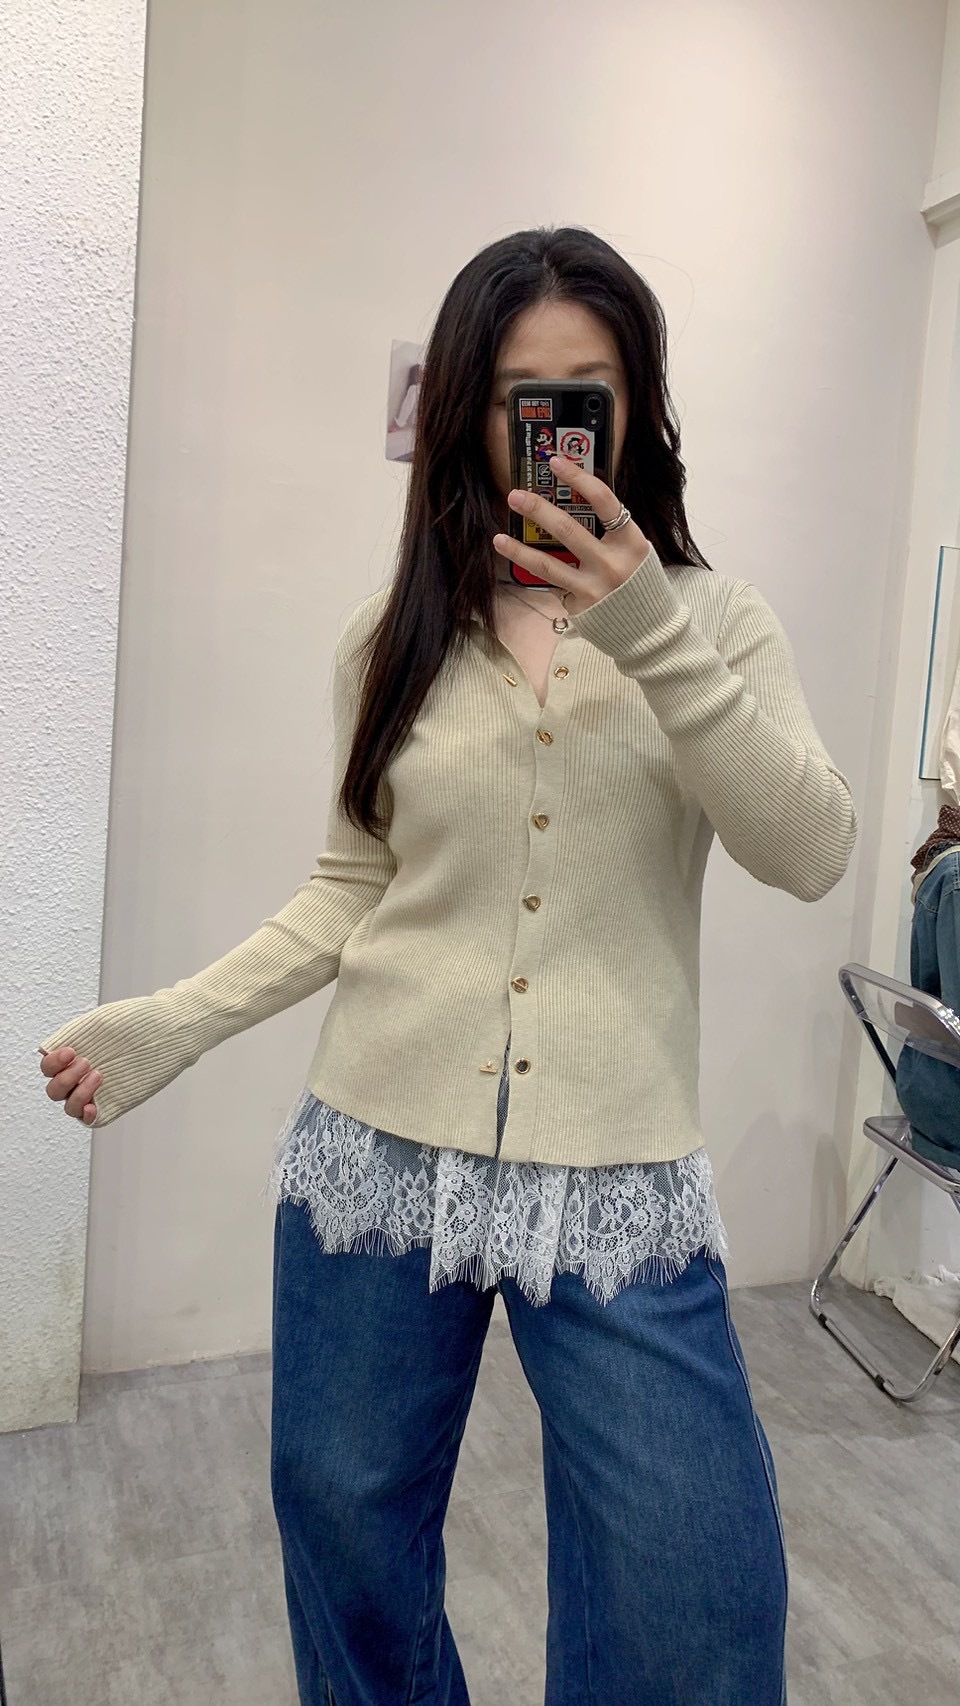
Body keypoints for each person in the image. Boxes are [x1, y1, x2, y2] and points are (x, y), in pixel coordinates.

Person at [38, 226, 857, 1706]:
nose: (554, 429)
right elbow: (352, 887)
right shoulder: (395, 637)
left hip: (612, 1170)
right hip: (377, 1149)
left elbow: (810, 850)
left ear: (637, 403)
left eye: (588, 391)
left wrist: (648, 630)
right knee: (347, 1537)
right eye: (518, 397)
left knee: (692, 1591)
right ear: (473, 412)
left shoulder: (717, 624)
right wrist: (175, 1022)